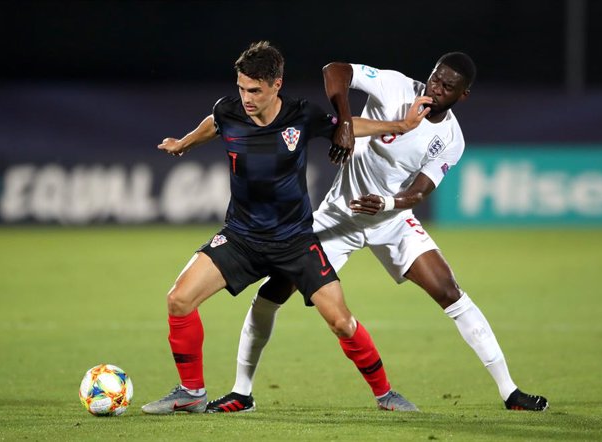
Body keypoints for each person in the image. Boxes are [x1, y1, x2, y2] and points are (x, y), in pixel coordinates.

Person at [206, 53, 549, 413]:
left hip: (391, 219)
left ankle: (510, 392)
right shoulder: (395, 85)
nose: (436, 88)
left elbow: (418, 192)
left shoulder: (451, 139)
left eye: (447, 87)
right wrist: (345, 123)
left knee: (450, 292)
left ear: (462, 95)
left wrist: (387, 204)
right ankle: (242, 392)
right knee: (270, 294)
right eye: (434, 78)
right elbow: (335, 70)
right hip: (339, 218)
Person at [141, 41, 431, 415]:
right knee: (178, 299)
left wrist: (401, 125)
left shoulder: (300, 115)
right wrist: (183, 144)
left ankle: (386, 394)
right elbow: (213, 124)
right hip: (241, 237)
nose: (246, 97)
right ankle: (191, 391)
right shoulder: (228, 110)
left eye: (255, 90)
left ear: (276, 85)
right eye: (242, 88)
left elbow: (347, 125)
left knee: (342, 322)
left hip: (295, 241)